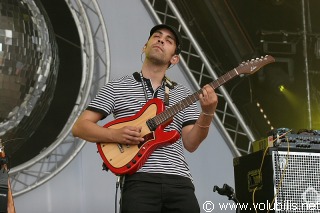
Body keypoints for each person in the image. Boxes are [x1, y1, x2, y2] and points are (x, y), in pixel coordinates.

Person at [72, 24, 218, 213]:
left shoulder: (183, 94)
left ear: (175, 58)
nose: (161, 40)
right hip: (139, 180)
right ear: (145, 46)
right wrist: (115, 135)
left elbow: (191, 143)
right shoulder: (116, 87)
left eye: (169, 40)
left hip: (180, 182)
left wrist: (208, 113)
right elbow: (79, 127)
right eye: (157, 36)